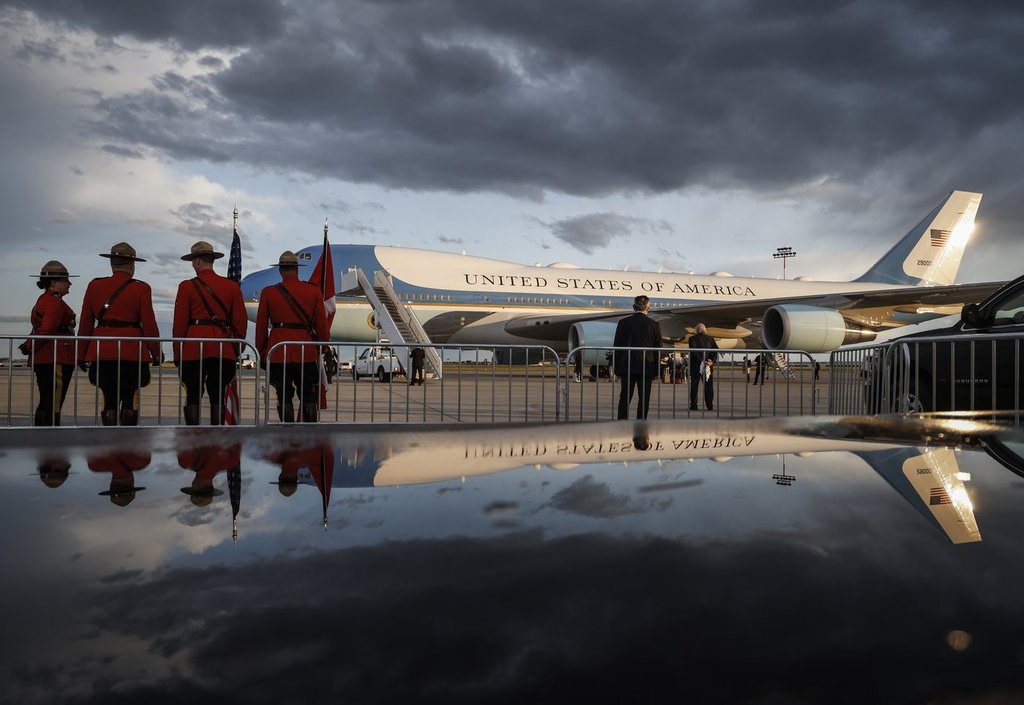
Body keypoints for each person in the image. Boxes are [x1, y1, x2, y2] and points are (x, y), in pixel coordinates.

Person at [77, 243, 161, 426]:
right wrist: (155, 352)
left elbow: (85, 322)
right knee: (130, 398)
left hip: (102, 349)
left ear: (111, 264)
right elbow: (148, 324)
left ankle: (110, 440)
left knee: (109, 398)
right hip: (132, 351)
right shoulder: (141, 288)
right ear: (132, 265)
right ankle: (127, 441)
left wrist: (81, 353)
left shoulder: (95, 286)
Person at [172, 241, 248, 425]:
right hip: (222, 347)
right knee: (218, 393)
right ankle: (217, 432)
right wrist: (237, 347)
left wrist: (177, 352)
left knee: (193, 393)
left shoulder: (186, 287)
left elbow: (179, 324)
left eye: (192, 261)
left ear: (198, 262)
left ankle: (193, 433)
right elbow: (240, 321)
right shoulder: (231, 287)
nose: (192, 265)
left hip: (193, 347)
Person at [255, 251, 328, 422]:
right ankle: (309, 432)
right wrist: (321, 348)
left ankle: (287, 432)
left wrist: (263, 352)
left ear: (280, 270)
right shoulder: (313, 291)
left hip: (279, 350)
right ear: (297, 269)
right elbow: (321, 326)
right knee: (309, 393)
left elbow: (261, 327)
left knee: (283, 394)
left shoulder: (269, 293)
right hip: (306, 351)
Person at [22, 261, 78, 426]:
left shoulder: (46, 299)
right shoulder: (54, 302)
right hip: (55, 357)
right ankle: (50, 437)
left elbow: (40, 328)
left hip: (46, 356)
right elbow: (46, 330)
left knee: (47, 400)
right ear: (53, 283)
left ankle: (42, 435)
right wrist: (29, 346)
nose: (69, 283)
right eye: (65, 280)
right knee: (53, 403)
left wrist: (29, 345)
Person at [613, 295, 662, 420]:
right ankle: (641, 422)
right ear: (648, 308)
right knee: (644, 398)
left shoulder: (623, 323)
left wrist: (616, 369)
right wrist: (657, 370)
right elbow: (658, 349)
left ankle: (622, 421)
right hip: (647, 366)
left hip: (626, 365)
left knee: (624, 397)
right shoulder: (654, 325)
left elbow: (617, 346)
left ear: (634, 307)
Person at [688, 323, 719, 411]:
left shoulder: (692, 339)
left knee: (694, 386)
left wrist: (702, 360)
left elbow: (694, 351)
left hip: (696, 365)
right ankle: (709, 405)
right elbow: (716, 349)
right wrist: (711, 360)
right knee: (708, 386)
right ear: (704, 330)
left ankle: (693, 405)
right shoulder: (710, 338)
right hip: (708, 366)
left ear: (696, 330)